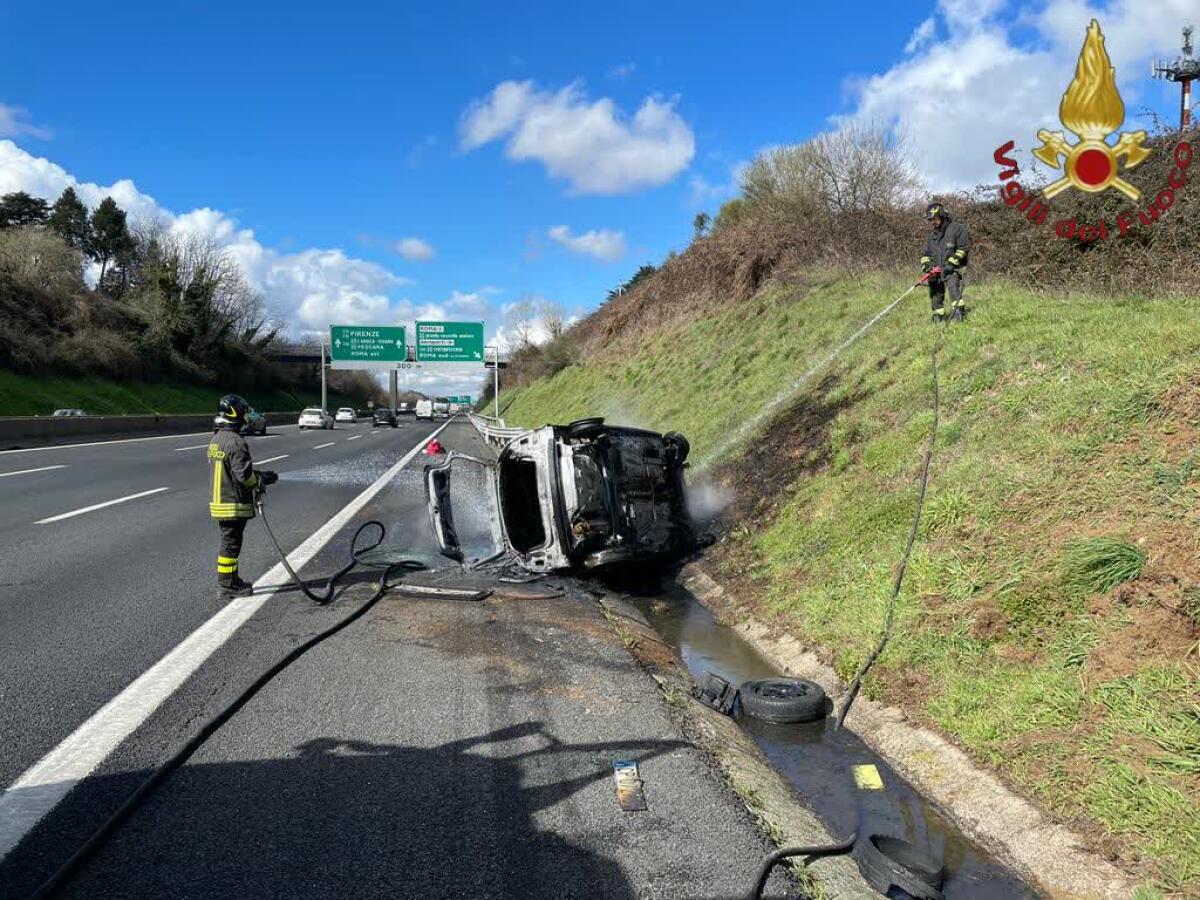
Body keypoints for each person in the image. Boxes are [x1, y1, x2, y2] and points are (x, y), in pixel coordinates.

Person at [208, 394, 277, 597]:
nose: (246, 418)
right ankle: (228, 584)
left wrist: (258, 476)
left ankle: (230, 580)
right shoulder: (236, 442)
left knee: (229, 542)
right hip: (232, 503)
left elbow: (231, 470)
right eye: (244, 413)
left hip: (220, 501)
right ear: (235, 415)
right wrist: (260, 480)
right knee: (231, 544)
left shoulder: (216, 439)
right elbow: (244, 475)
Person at [920, 202, 971, 323]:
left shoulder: (957, 228)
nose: (933, 222)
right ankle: (938, 314)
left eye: (935, 219)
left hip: (953, 268)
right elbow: (926, 254)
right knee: (934, 284)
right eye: (930, 220)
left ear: (942, 216)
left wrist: (951, 264)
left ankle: (958, 310)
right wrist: (926, 265)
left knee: (952, 282)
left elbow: (963, 248)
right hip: (937, 269)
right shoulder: (932, 236)